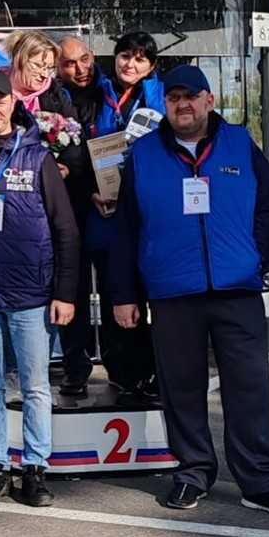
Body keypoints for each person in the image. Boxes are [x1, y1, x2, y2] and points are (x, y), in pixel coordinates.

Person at [110, 64, 269, 517]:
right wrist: (123, 294)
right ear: (165, 103)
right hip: (172, 291)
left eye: (192, 97)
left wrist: (255, 254)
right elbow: (126, 227)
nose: (183, 105)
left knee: (249, 388)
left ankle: (259, 481)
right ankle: (193, 472)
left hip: (236, 288)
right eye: (174, 97)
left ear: (209, 101)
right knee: (181, 388)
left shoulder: (239, 143)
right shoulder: (143, 154)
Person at [0, 70, 79, 508]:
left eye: (0, 101)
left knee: (35, 386)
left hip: (31, 293)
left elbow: (66, 229)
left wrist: (65, 292)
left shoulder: (38, 156)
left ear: (14, 103)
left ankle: (34, 468)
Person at [79, 32, 163, 403]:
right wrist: (91, 191)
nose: (131, 64)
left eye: (140, 59)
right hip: (105, 212)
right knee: (115, 295)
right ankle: (123, 375)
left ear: (152, 66)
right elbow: (77, 152)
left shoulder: (161, 97)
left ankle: (155, 370)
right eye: (125, 56)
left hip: (147, 215)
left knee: (151, 297)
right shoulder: (94, 94)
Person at [4, 31, 89, 392]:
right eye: (38, 65)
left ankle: (73, 363)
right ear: (19, 60)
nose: (44, 73)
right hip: (9, 207)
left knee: (66, 281)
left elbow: (76, 146)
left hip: (52, 203)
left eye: (50, 67)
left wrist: (66, 167)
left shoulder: (57, 96)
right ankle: (10, 369)